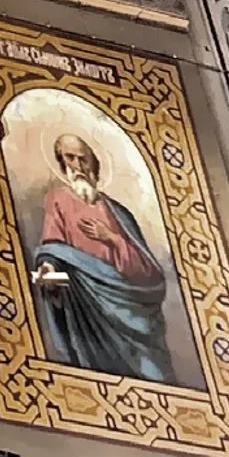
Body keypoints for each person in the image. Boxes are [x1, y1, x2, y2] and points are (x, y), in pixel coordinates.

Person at [29, 127, 175, 381]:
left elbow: (150, 275)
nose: (76, 165)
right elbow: (52, 245)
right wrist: (49, 269)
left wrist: (112, 238)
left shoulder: (119, 213)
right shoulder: (58, 199)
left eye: (81, 158)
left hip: (127, 304)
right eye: (68, 159)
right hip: (87, 301)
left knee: (153, 376)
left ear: (93, 163)